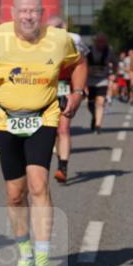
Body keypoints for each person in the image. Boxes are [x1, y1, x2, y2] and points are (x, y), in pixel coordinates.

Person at [0, 0, 85, 266]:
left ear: (42, 13)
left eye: (34, 11)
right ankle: (25, 258)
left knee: (38, 186)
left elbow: (79, 62)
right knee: (14, 195)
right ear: (13, 13)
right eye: (23, 11)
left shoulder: (59, 39)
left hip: (43, 117)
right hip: (4, 120)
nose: (28, 16)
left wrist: (78, 92)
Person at [46, 15, 87, 184]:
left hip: (66, 88)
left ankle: (62, 167)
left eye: (56, 27)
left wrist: (80, 88)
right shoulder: (40, 44)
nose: (51, 32)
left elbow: (83, 64)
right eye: (49, 29)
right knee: (51, 130)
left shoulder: (74, 41)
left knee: (63, 128)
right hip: (44, 90)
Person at [86, 33, 114, 134]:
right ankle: (94, 117)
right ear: (95, 42)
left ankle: (98, 125)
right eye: (99, 41)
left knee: (101, 103)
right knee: (91, 103)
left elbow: (115, 62)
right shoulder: (88, 49)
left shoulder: (109, 50)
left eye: (103, 42)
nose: (101, 44)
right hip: (89, 80)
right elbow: (82, 63)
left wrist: (113, 74)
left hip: (103, 80)